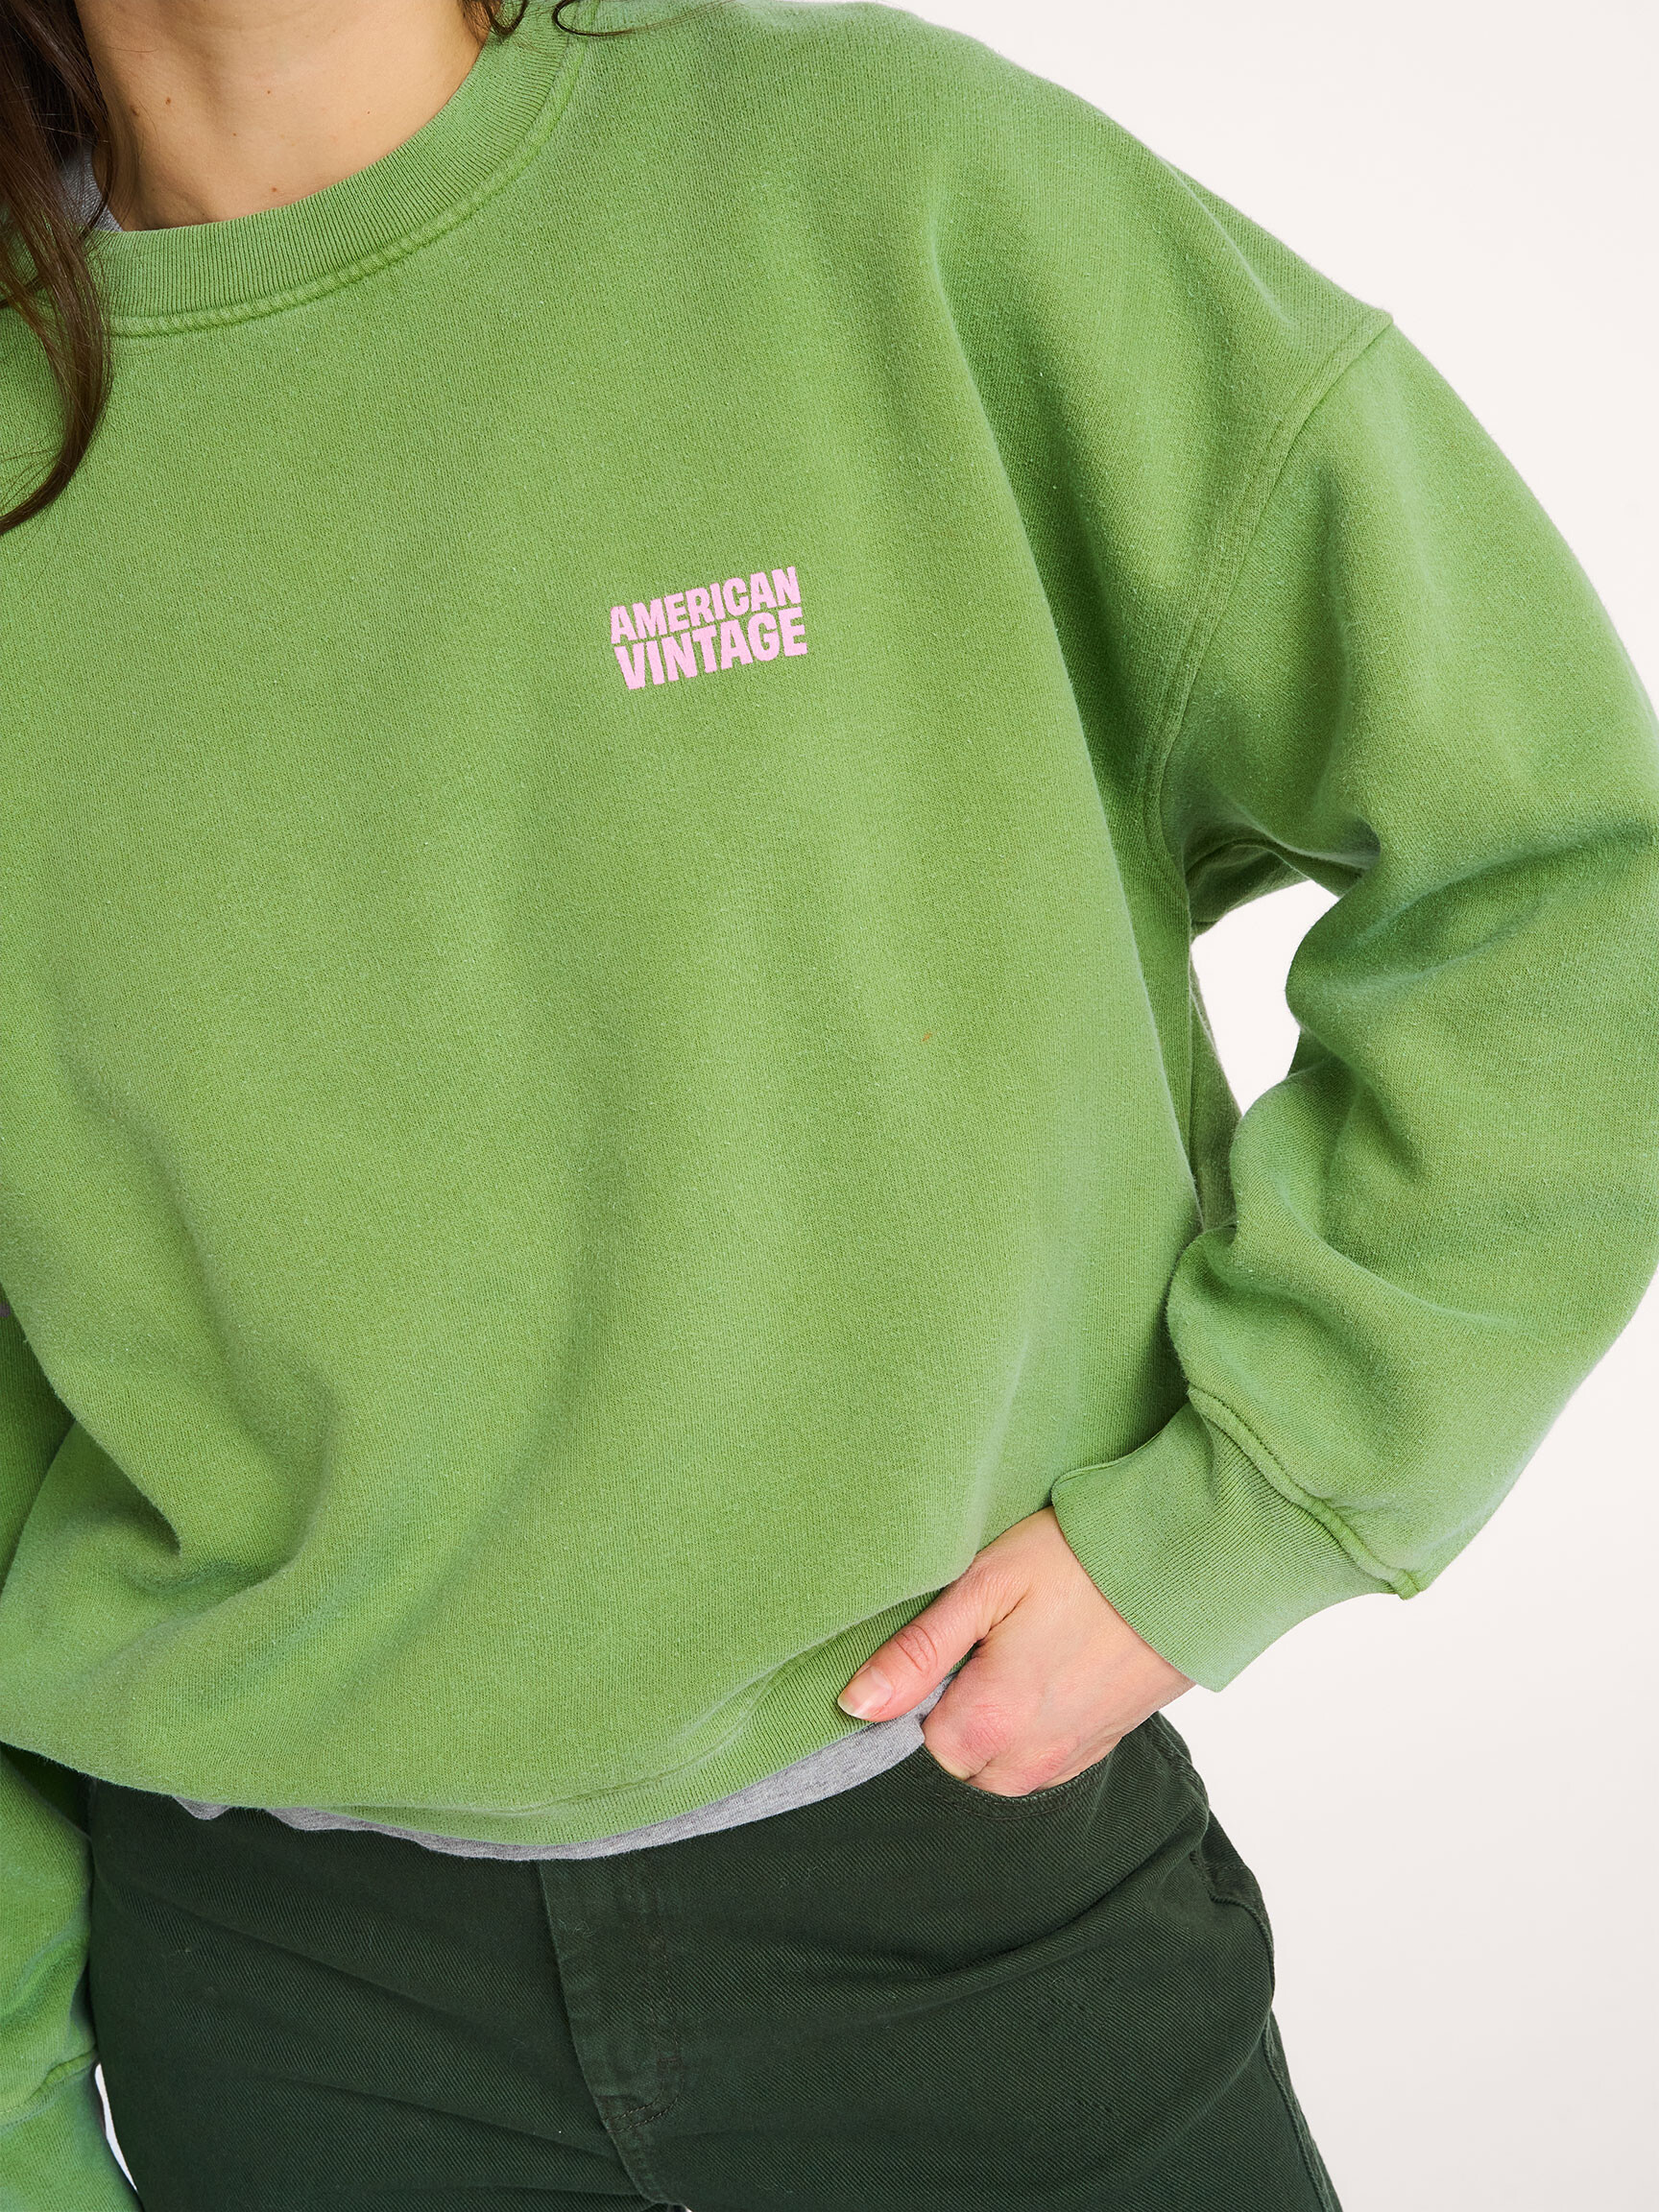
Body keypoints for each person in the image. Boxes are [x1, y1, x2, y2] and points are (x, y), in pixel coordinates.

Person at [1, 0, 1654, 2204]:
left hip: (971, 1898)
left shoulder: (876, 187)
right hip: (287, 2015)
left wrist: (1249, 1501)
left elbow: (1564, 868)